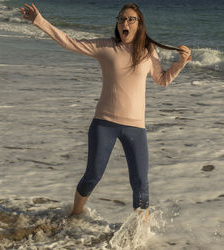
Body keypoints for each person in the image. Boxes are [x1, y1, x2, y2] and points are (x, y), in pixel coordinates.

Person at [20, 3, 191, 219]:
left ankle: (142, 232)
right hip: (104, 124)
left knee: (140, 182)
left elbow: (162, 80)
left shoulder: (148, 52)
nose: (124, 23)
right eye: (121, 19)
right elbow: (69, 42)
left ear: (139, 25)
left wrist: (181, 63)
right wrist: (39, 21)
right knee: (92, 175)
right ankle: (76, 213)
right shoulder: (106, 47)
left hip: (135, 127)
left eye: (130, 19)